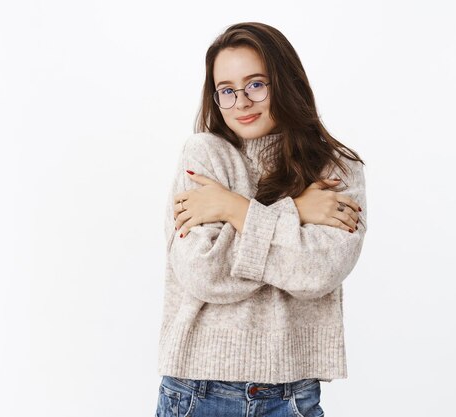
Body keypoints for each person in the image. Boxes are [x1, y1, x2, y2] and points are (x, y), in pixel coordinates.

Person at [155, 22, 367, 417]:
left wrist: (233, 209)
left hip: (293, 397)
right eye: (227, 91)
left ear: (285, 82)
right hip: (196, 392)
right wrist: (297, 213)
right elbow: (204, 272)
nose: (241, 102)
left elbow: (316, 273)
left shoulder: (338, 169)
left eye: (256, 84)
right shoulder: (204, 155)